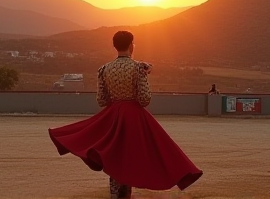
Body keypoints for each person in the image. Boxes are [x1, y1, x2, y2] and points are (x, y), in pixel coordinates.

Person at [48, 31, 203, 199]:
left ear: (115, 46)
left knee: (115, 155)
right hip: (133, 117)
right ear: (131, 45)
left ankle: (116, 194)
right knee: (136, 154)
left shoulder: (104, 69)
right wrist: (144, 75)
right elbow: (144, 99)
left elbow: (101, 100)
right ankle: (126, 193)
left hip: (114, 115)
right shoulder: (138, 68)